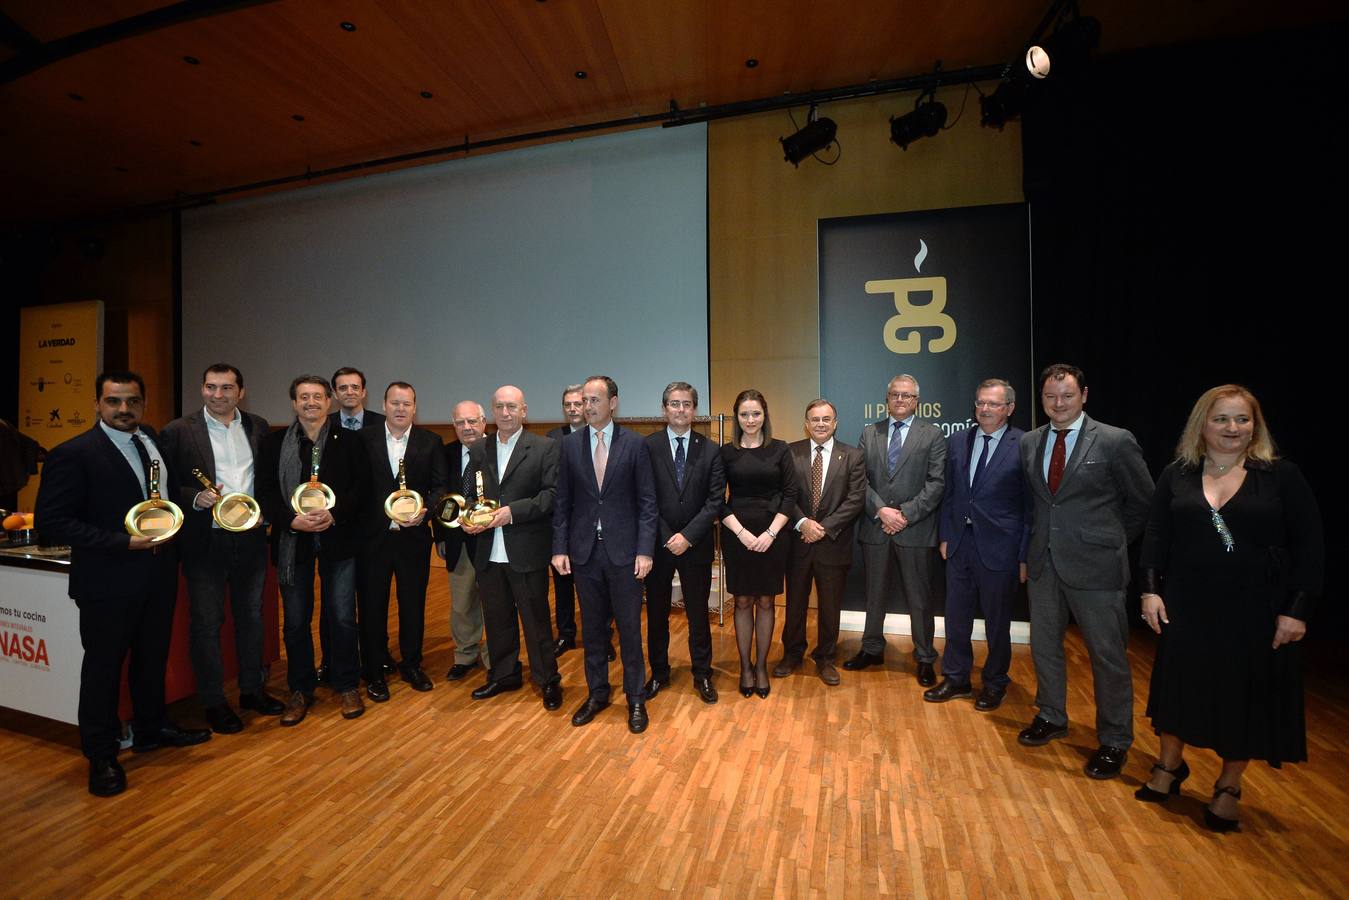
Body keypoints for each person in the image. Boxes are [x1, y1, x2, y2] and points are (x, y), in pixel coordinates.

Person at [1135, 385, 1322, 831]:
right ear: (1203, 424)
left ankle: (1228, 786)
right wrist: (1149, 590)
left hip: (1256, 610)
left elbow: (1311, 547)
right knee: (1179, 685)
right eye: (1221, 419)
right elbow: (1156, 535)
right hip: (1187, 603)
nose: (1232, 428)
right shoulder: (1177, 474)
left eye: (1242, 420)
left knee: (1246, 696)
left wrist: (1297, 610)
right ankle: (1168, 766)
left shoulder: (1281, 476)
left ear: (1255, 426)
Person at [35, 370, 210, 797]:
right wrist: (122, 542)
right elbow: (51, 524)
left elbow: (162, 498)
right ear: (97, 404)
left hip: (158, 574)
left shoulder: (150, 439)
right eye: (114, 401)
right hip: (107, 581)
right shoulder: (73, 454)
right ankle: (100, 754)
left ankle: (151, 730)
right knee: (103, 669)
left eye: (131, 401)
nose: (123, 409)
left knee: (152, 658)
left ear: (143, 404)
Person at [1017, 363, 1154, 780]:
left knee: (1107, 657)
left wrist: (1109, 539)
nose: (1058, 404)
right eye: (1050, 397)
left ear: (1084, 396)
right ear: (1041, 399)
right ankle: (1052, 715)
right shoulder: (1029, 442)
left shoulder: (1115, 440)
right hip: (1044, 563)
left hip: (1098, 568)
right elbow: (1039, 505)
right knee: (1044, 648)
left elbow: (1144, 503)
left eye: (1067, 396)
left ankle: (1114, 741)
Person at [160, 363, 284, 735]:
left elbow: (267, 478)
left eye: (227, 388)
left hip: (249, 539)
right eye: (211, 387)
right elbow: (163, 485)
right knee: (207, 624)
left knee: (251, 617)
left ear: (241, 392)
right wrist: (193, 496)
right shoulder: (178, 431)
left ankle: (251, 690)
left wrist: (266, 513)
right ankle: (213, 701)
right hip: (205, 541)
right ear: (202, 389)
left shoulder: (258, 427)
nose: (218, 395)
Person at [257, 375, 370, 726]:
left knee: (340, 616)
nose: (311, 403)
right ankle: (300, 688)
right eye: (303, 397)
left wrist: (333, 515)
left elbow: (361, 487)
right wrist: (291, 520)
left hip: (338, 538)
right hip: (294, 542)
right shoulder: (274, 444)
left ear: (330, 401)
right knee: (295, 620)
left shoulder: (350, 441)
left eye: (318, 396)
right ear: (293, 403)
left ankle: (346, 683)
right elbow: (264, 492)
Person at [552, 375, 658, 734]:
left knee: (629, 630)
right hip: (584, 554)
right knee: (593, 630)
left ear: (613, 402)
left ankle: (635, 699)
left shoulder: (635, 445)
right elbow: (562, 503)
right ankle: (597, 693)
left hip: (626, 554)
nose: (587, 406)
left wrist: (645, 550)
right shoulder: (568, 446)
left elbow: (647, 503)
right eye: (584, 401)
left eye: (595, 400)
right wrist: (559, 548)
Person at [928, 379, 1031, 711]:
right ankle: (956, 678)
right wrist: (945, 535)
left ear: (1009, 409)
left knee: (997, 621)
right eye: (980, 403)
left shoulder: (1024, 444)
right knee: (956, 616)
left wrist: (1024, 554)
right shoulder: (959, 440)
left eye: (993, 404)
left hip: (1001, 547)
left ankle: (995, 682)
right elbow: (950, 493)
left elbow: (1031, 505)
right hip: (959, 543)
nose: (985, 409)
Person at [467, 386, 563, 710]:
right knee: (496, 619)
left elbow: (551, 496)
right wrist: (467, 518)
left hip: (526, 549)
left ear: (524, 411)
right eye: (499, 407)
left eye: (512, 407)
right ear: (492, 412)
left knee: (536, 622)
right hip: (487, 551)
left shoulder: (544, 448)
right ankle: (505, 674)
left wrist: (512, 513)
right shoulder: (479, 448)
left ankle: (547, 679)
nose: (505, 413)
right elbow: (469, 495)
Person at [850, 374, 947, 685]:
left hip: (914, 529)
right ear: (887, 398)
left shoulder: (932, 435)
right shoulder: (870, 433)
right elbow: (858, 480)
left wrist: (903, 515)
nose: (900, 400)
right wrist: (880, 510)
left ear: (916, 401)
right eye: (895, 395)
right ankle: (872, 648)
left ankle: (924, 657)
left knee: (919, 599)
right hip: (876, 527)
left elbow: (936, 484)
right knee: (874, 594)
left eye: (907, 396)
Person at [357, 382, 448, 702]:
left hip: (413, 538)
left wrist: (426, 510)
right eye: (395, 403)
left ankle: (412, 664)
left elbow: (439, 486)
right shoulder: (363, 439)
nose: (400, 409)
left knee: (413, 605)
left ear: (415, 408)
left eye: (407, 404)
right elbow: (356, 488)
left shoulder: (430, 441)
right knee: (371, 607)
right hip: (373, 540)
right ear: (384, 404)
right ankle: (373, 672)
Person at [642, 381, 725, 704]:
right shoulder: (647, 448)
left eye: (687, 404)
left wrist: (688, 537)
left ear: (695, 410)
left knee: (698, 615)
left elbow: (715, 500)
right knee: (657, 615)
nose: (680, 410)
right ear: (664, 409)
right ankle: (659, 673)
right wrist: (667, 537)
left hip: (697, 546)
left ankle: (702, 674)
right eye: (674, 404)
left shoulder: (711, 450)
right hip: (658, 548)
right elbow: (645, 498)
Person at [773, 398, 865, 686]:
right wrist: (802, 523)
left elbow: (855, 499)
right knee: (795, 603)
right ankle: (792, 654)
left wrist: (822, 528)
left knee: (830, 606)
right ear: (807, 423)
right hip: (797, 543)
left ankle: (826, 658)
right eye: (815, 419)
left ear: (835, 423)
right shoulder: (790, 452)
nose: (821, 424)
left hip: (832, 544)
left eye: (826, 419)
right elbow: (784, 493)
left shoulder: (852, 456)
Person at [720, 389, 797, 699]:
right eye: (744, 414)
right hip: (737, 533)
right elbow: (717, 500)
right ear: (736, 418)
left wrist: (771, 533)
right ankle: (744, 666)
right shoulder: (725, 452)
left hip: (772, 534)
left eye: (756, 413)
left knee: (766, 601)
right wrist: (741, 533)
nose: (750, 419)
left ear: (765, 415)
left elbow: (790, 495)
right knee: (741, 601)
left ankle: (762, 666)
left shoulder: (780, 449)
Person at [320, 366, 387, 683]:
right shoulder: (323, 425)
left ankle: (378, 657)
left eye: (354, 387)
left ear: (364, 391)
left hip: (375, 528)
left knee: (373, 600)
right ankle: (331, 661)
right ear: (334, 394)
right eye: (342, 388)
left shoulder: (381, 424)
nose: (349, 392)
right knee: (334, 603)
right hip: (336, 529)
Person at [436, 401, 490, 682]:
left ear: (484, 422)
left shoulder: (497, 450)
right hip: (457, 540)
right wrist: (441, 536)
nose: (467, 428)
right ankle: (466, 654)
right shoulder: (444, 454)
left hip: (493, 539)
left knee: (496, 601)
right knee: (462, 603)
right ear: (453, 425)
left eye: (472, 421)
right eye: (460, 423)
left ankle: (496, 656)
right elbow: (438, 497)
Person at [545, 384, 593, 658]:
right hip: (563, 524)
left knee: (595, 587)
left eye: (579, 403)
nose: (574, 409)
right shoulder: (553, 439)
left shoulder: (600, 435)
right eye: (568, 405)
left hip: (592, 525)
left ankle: (599, 635)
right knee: (563, 585)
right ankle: (565, 634)